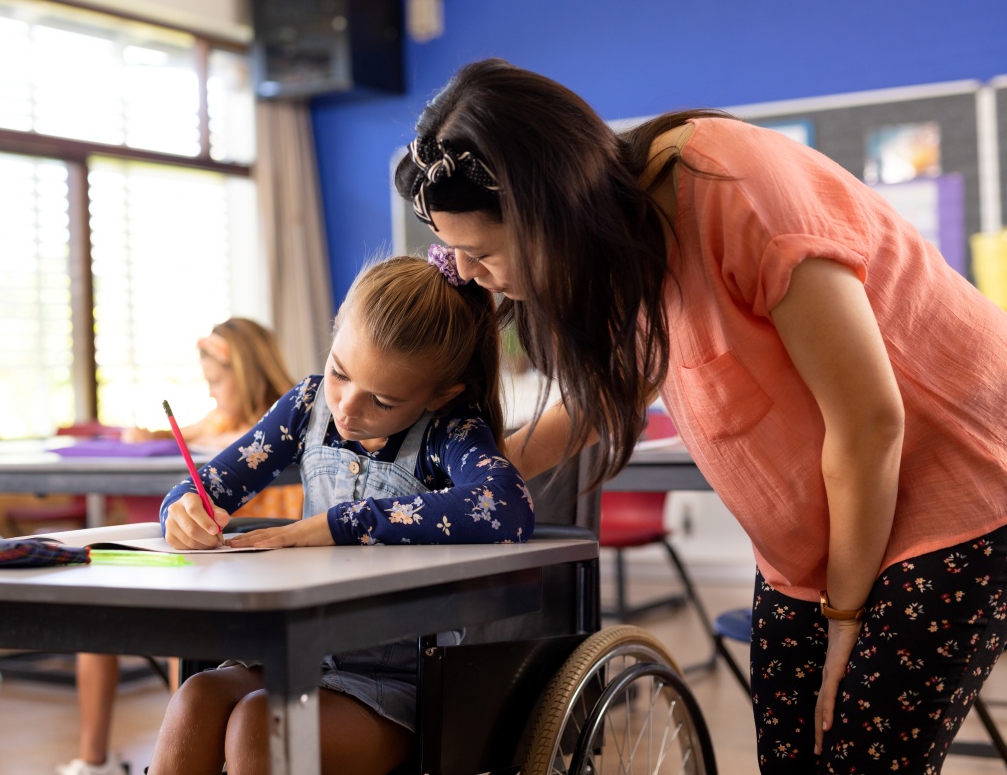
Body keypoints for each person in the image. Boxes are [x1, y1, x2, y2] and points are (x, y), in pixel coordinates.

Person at [393, 57, 1007, 774]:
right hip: (812, 544)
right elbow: (613, 393)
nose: (466, 273)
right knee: (792, 753)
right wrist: (459, 470)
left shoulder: (729, 187)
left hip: (956, 489)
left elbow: (871, 422)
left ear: (545, 214)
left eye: (480, 251)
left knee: (860, 758)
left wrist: (846, 621)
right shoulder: (623, 239)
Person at [146, 253, 534, 775]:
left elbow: (505, 506)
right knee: (195, 699)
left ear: (440, 395)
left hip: (392, 685)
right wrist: (184, 508)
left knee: (260, 726)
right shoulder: (308, 405)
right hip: (294, 652)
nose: (349, 408)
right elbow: (206, 486)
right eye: (340, 373)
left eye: (383, 400)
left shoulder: (449, 430)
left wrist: (341, 524)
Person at [57, 317, 298, 775]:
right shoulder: (219, 419)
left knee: (185, 630)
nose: (211, 393)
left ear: (244, 372)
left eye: (215, 381)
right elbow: (186, 438)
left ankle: (191, 746)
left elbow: (247, 448)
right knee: (98, 608)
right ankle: (96, 761)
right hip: (219, 558)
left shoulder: (293, 418)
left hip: (268, 565)